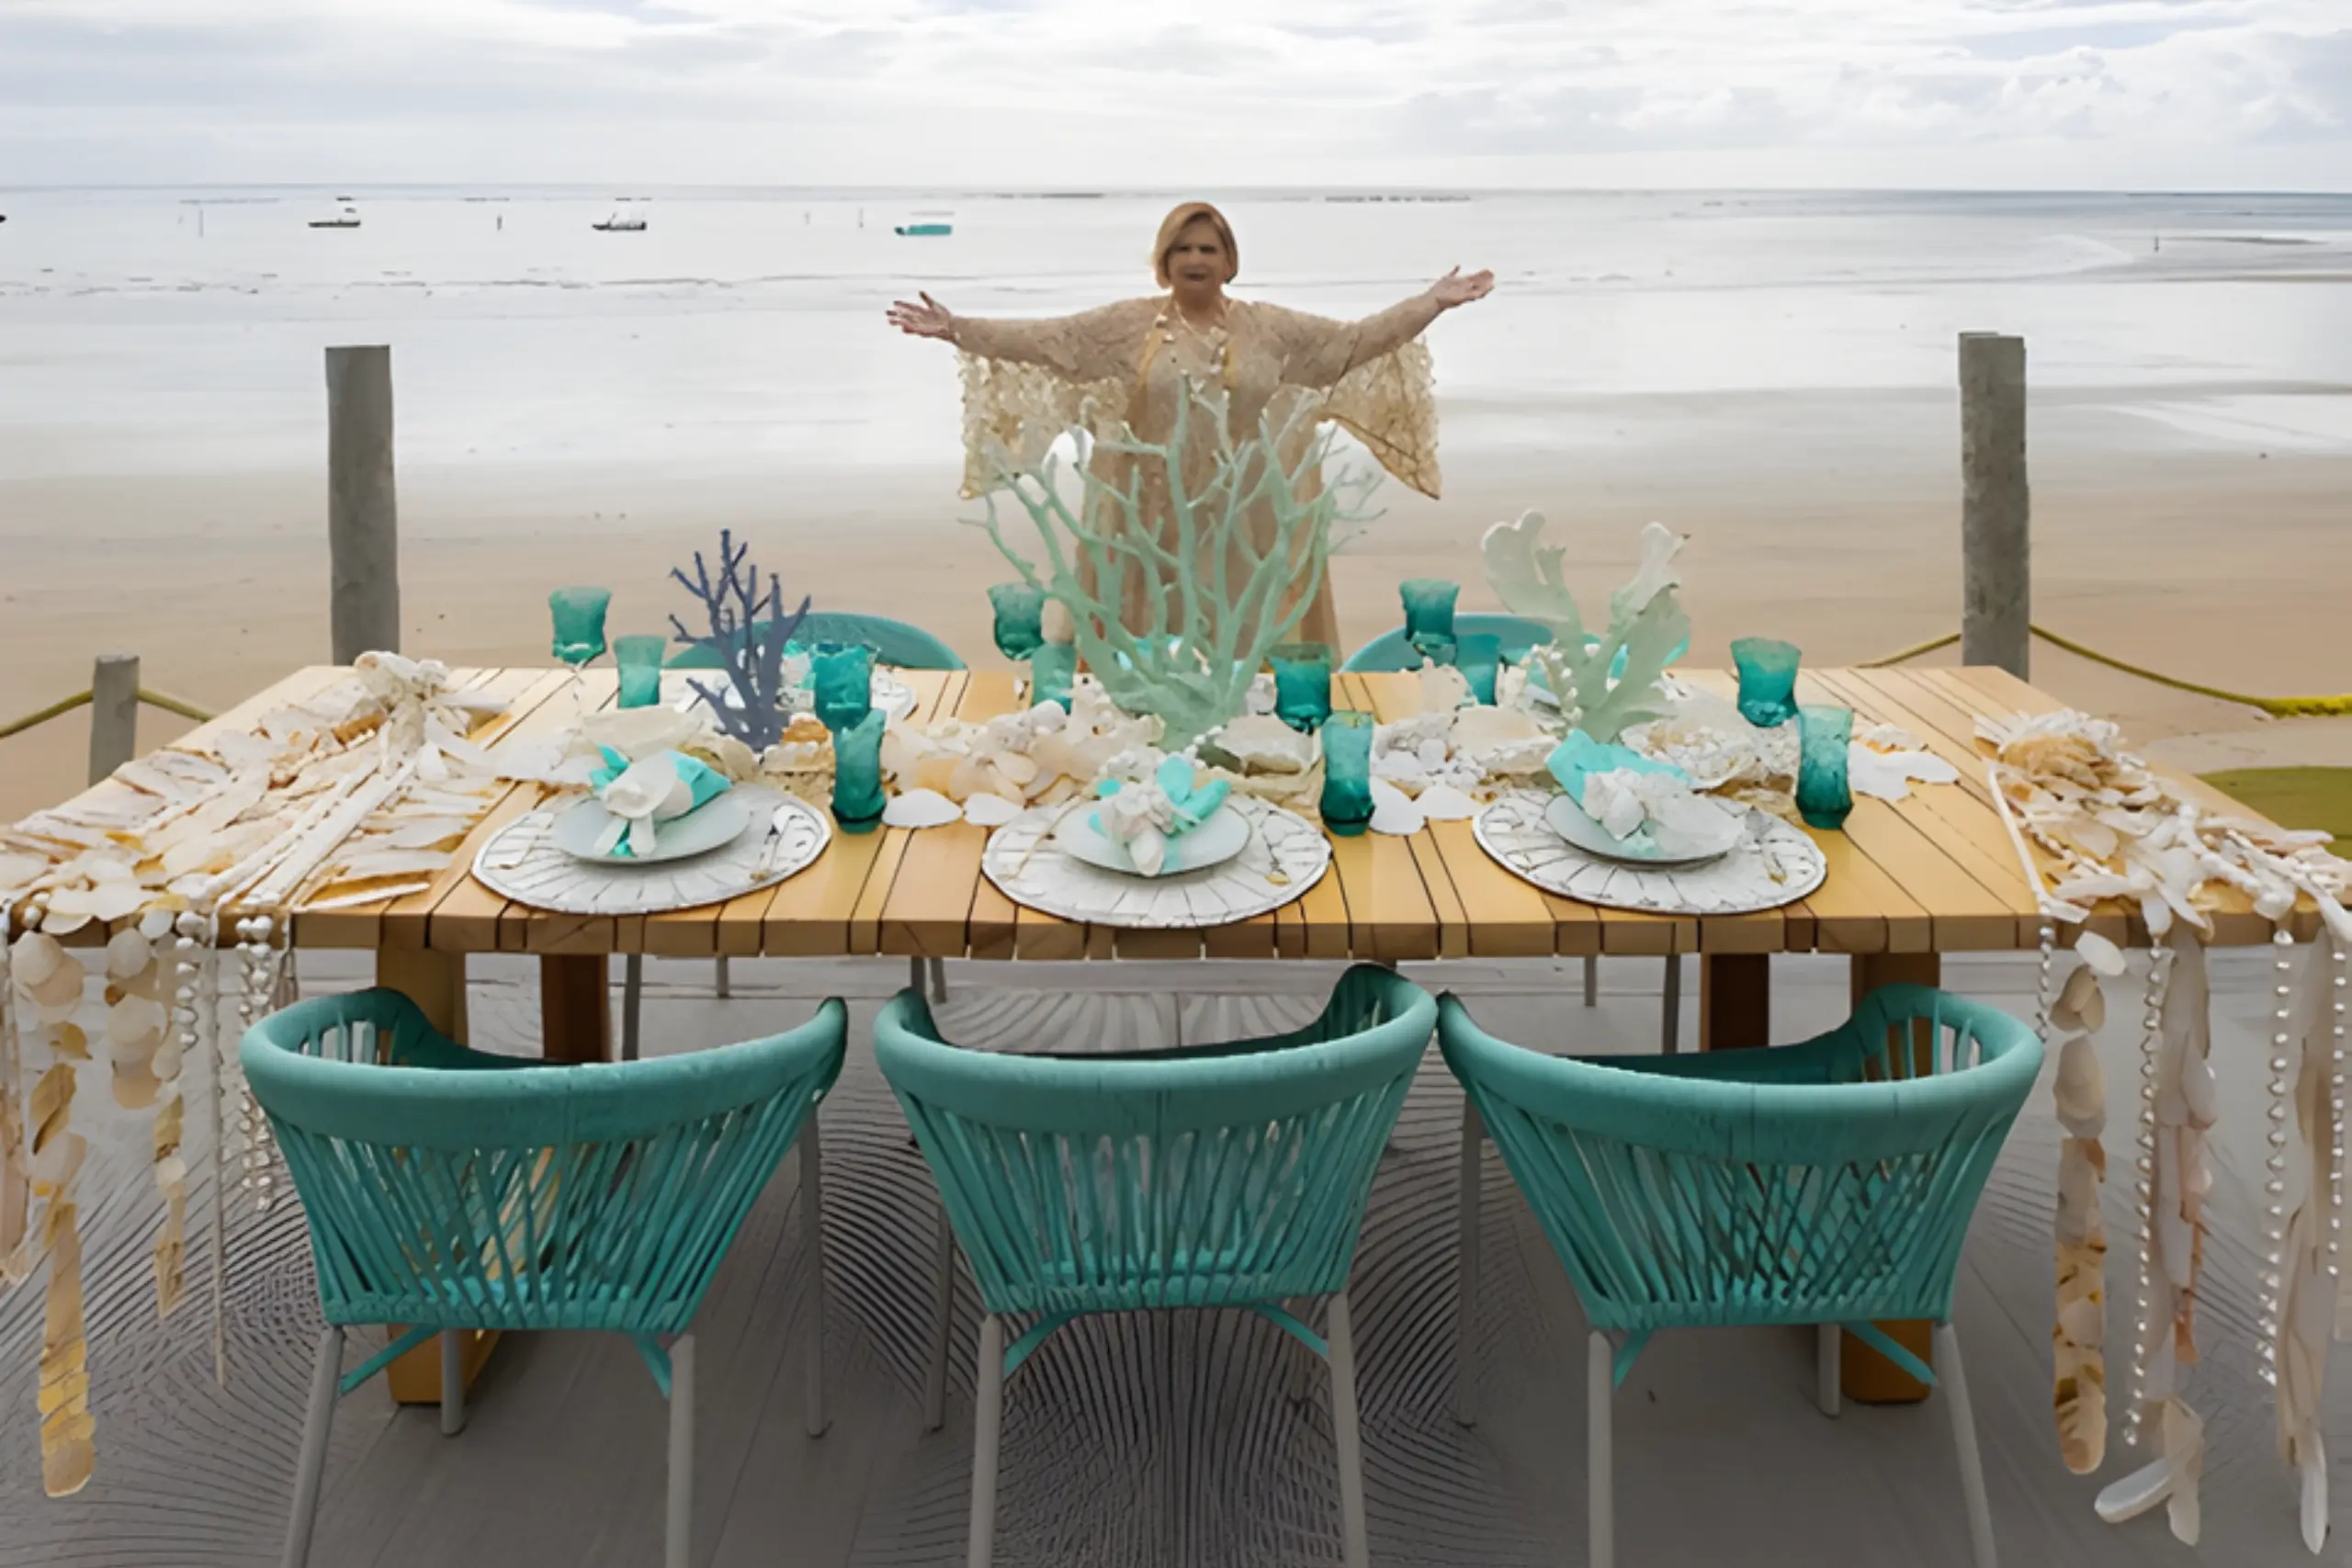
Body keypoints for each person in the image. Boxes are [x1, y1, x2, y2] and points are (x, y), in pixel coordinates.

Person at [888, 201, 1492, 649]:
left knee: (1241, 642)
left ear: (1229, 261)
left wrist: (1430, 302)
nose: (1195, 259)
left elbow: (1352, 344)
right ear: (1164, 261)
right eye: (1183, 248)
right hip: (1145, 512)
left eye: (1208, 248)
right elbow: (1050, 342)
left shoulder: (1269, 328)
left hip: (1242, 516)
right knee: (1143, 641)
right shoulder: (1129, 326)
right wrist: (958, 328)